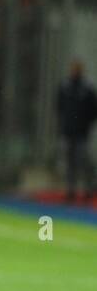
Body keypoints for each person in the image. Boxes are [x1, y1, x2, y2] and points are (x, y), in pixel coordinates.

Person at [57, 59, 97, 204]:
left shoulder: (87, 87)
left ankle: (88, 189)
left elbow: (93, 109)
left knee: (83, 162)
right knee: (69, 164)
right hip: (68, 131)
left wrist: (85, 125)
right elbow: (59, 107)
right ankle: (70, 191)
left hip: (82, 133)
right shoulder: (65, 86)